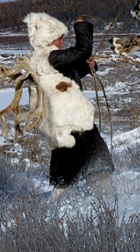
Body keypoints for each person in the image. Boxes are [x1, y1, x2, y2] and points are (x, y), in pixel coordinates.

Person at [23, 12, 115, 194]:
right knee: (94, 162)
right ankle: (106, 200)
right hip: (71, 122)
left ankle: (61, 206)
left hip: (65, 121)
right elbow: (81, 51)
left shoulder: (46, 60)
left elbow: (70, 74)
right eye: (59, 38)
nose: (62, 42)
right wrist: (81, 26)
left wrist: (88, 66)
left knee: (71, 169)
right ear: (49, 39)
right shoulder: (50, 57)